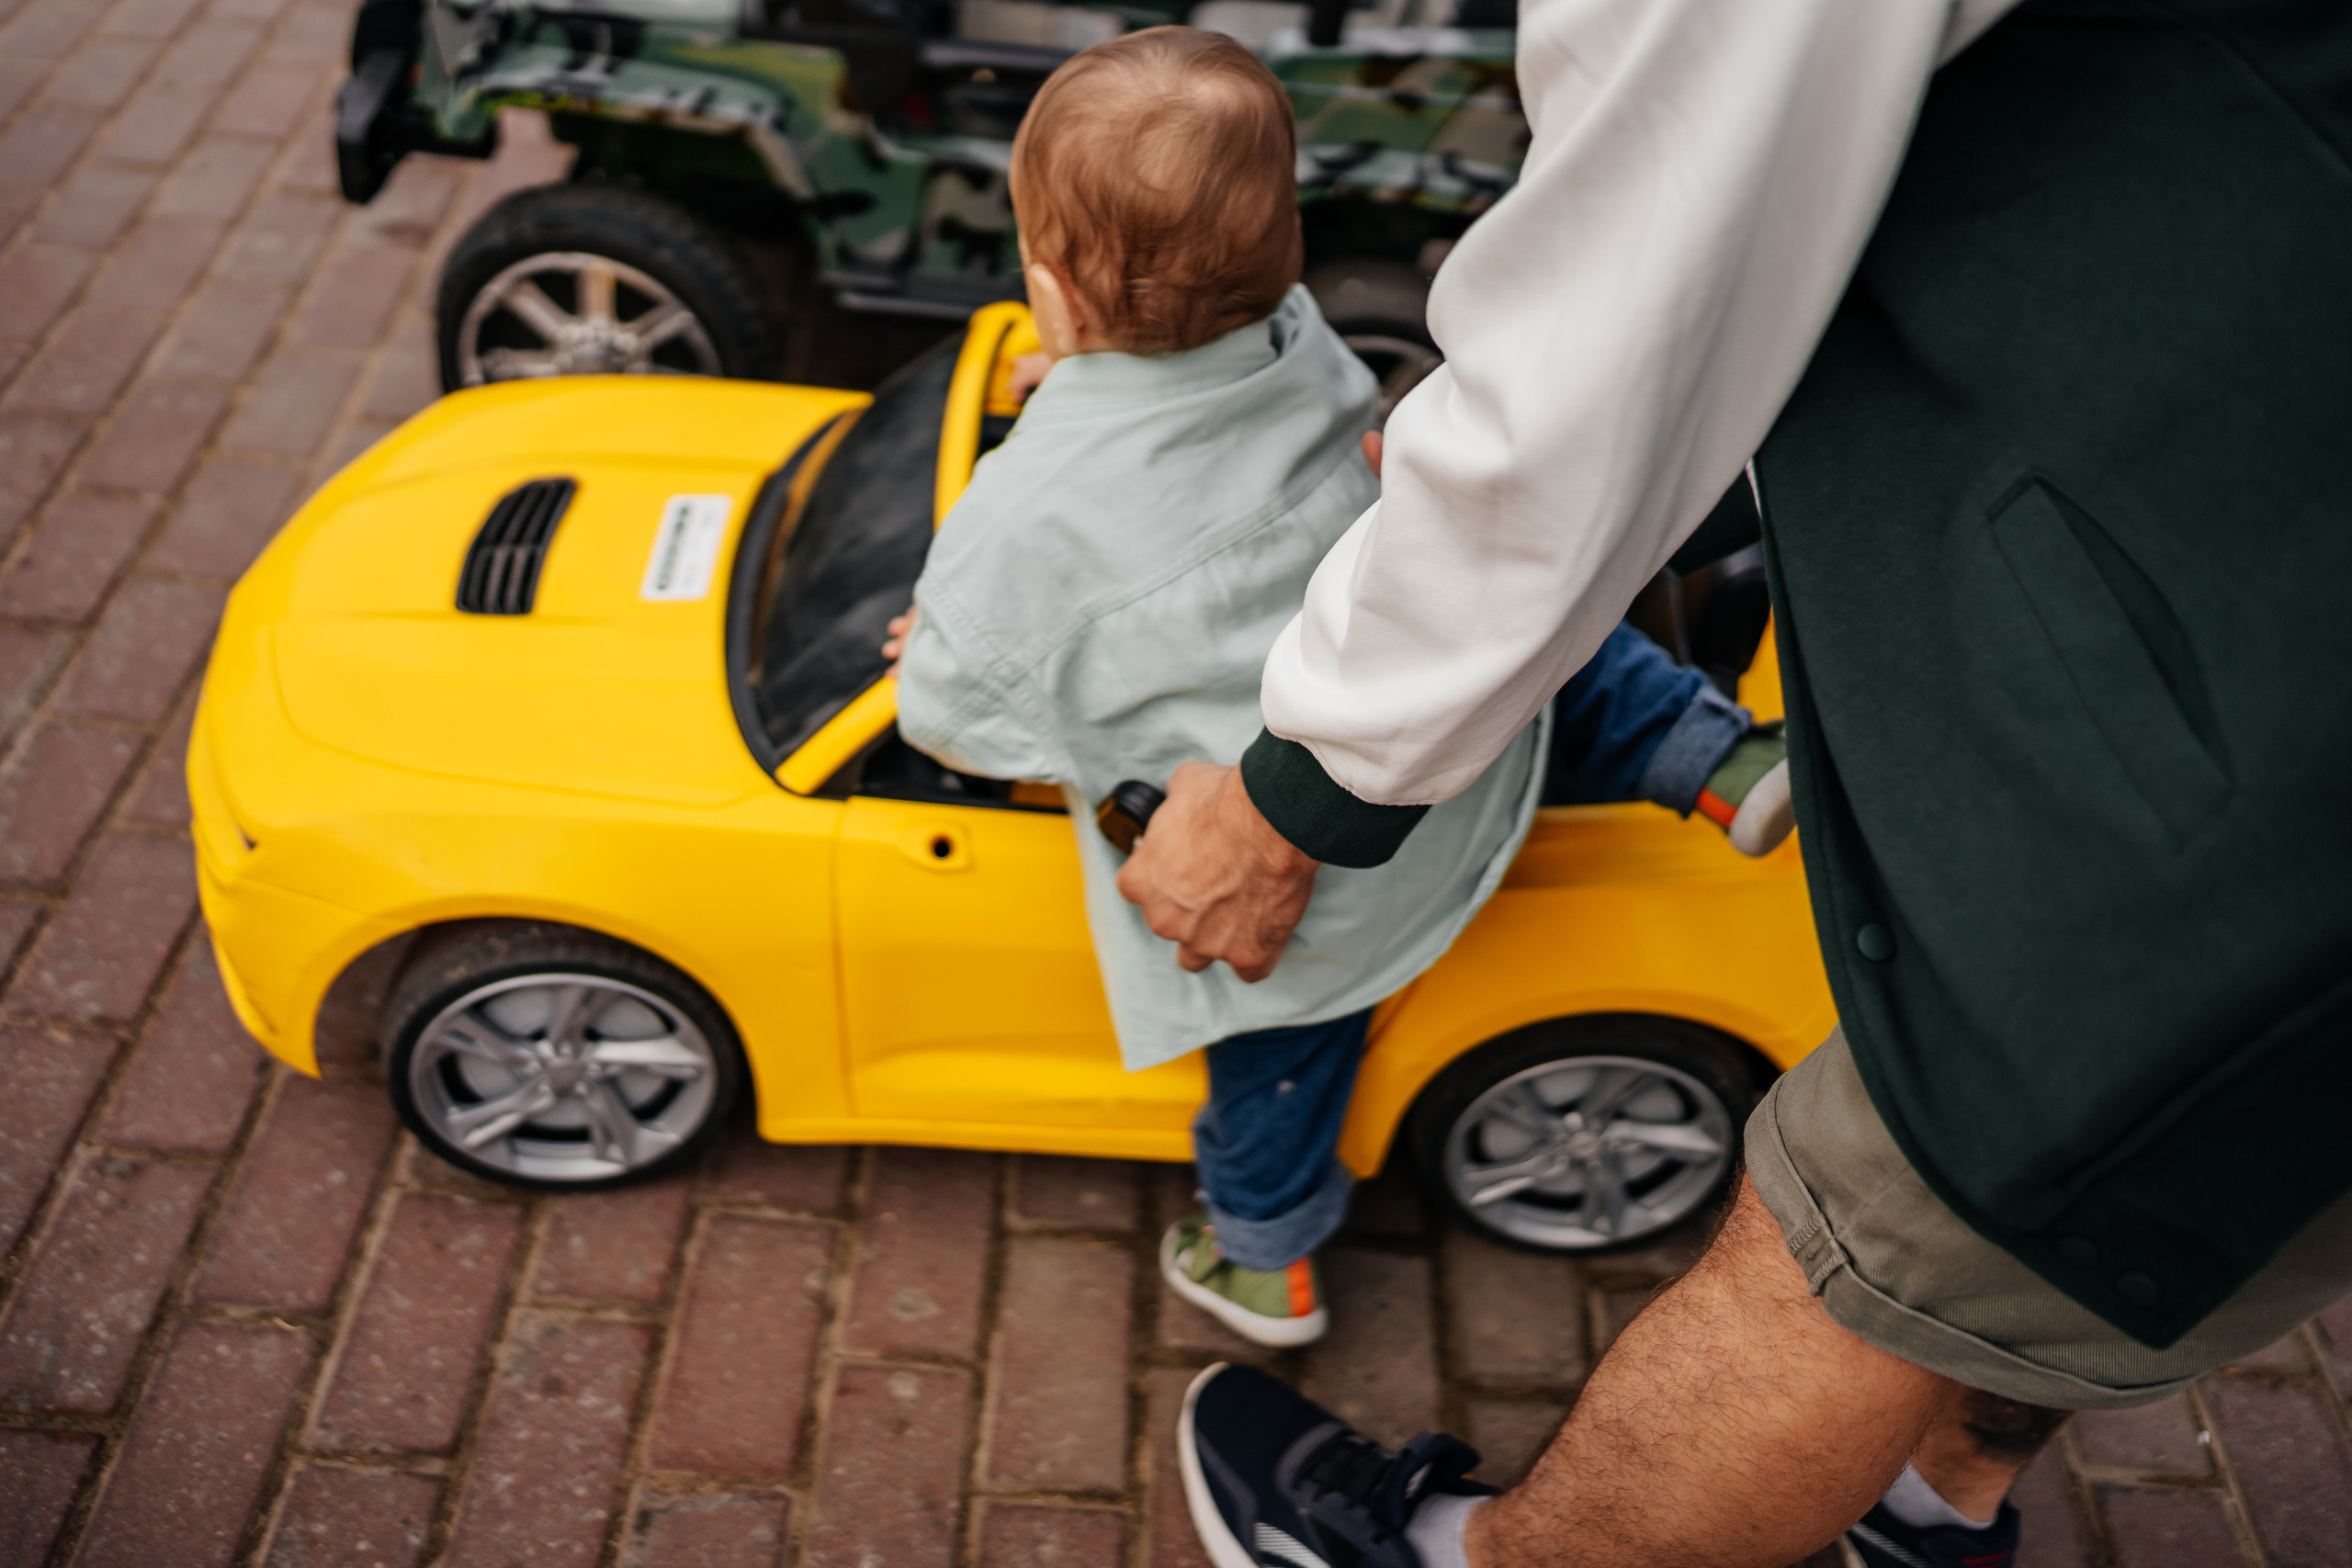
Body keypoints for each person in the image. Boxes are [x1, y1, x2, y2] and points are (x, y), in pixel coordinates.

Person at [1117, 0, 2352, 1564]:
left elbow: (1611, 341)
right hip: (2248, 546)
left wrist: (1296, 792)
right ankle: (1924, 1510)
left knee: (1874, 1234)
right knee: (2105, 1228)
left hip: (2245, 773)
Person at [887, 26, 1791, 1349]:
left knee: (1277, 1064)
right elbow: (1182, 407)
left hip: (1299, 883)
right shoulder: (1299, 339)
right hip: (1458, 760)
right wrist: (1085, 371)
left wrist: (940, 632)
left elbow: (946, 719)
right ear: (1287, 246)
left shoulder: (1018, 522)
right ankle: (1714, 759)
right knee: (1535, 641)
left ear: (1049, 295)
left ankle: (1266, 1261)